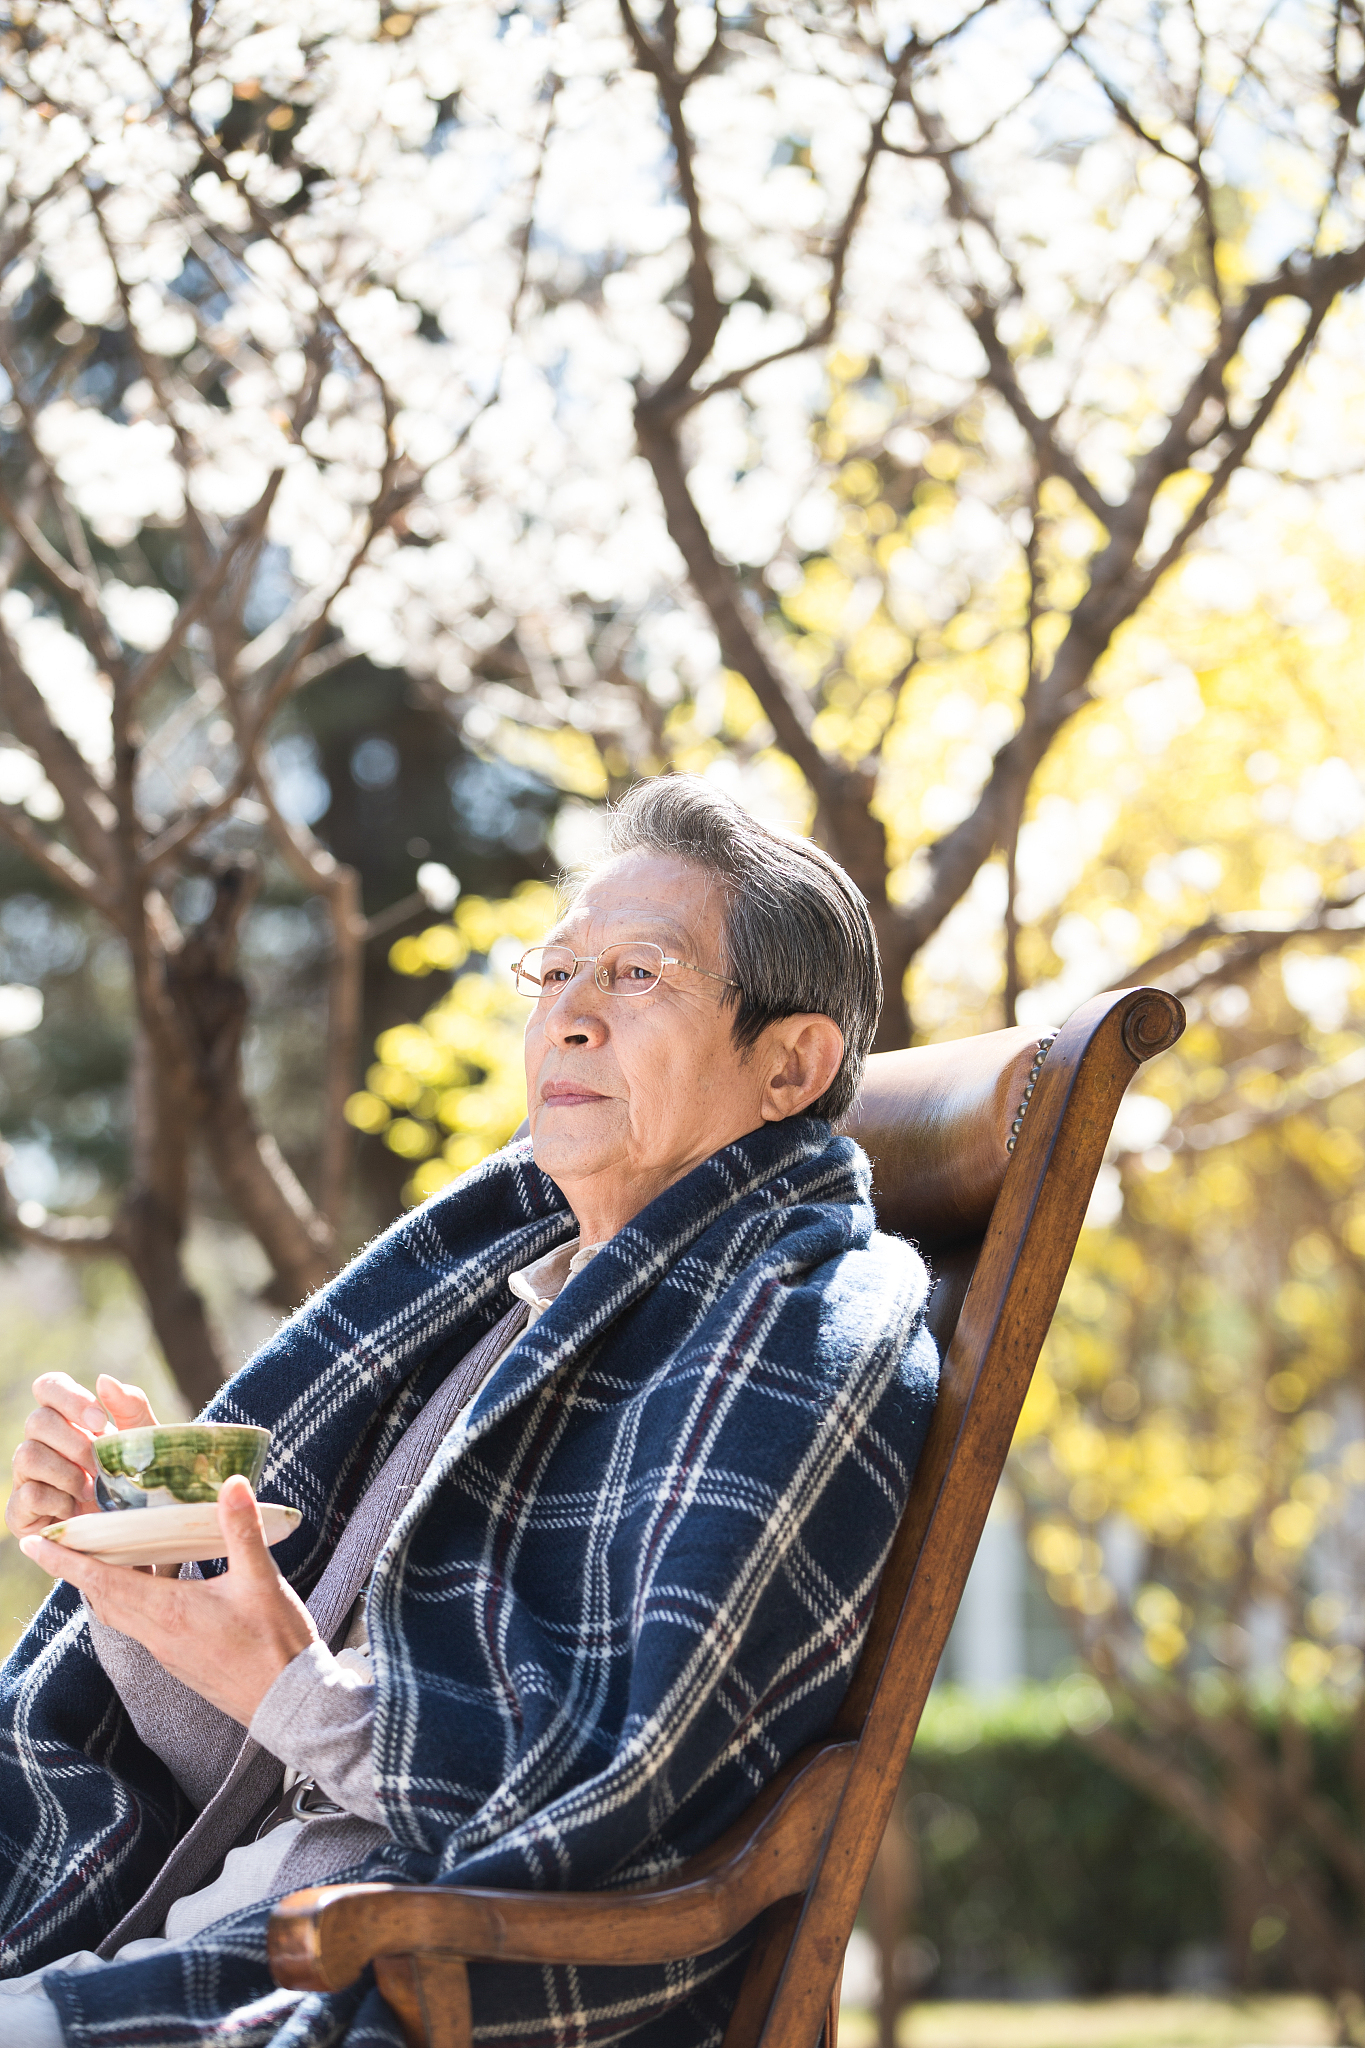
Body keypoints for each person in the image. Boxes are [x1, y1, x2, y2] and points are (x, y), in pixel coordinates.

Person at [0, 776, 938, 2048]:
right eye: (554, 973)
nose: (570, 1018)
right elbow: (246, 1755)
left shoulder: (802, 1318)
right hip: (211, 1911)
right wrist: (143, 1579)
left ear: (791, 1062)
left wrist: (291, 1686)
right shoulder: (499, 1285)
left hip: (387, 1961)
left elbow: (610, 1779)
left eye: (639, 975)